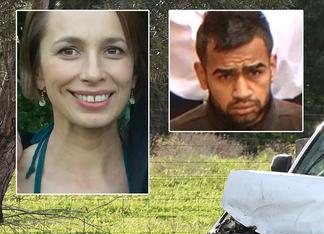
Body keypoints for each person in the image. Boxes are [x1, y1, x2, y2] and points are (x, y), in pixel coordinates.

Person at [17, 10, 148, 194]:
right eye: (68, 51)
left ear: (134, 73)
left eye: (113, 50)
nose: (93, 74)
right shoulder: (11, 182)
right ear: (38, 73)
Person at [170, 11, 302, 132]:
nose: (242, 93)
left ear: (272, 68)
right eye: (225, 76)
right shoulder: (175, 134)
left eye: (255, 73)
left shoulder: (303, 124)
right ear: (202, 76)